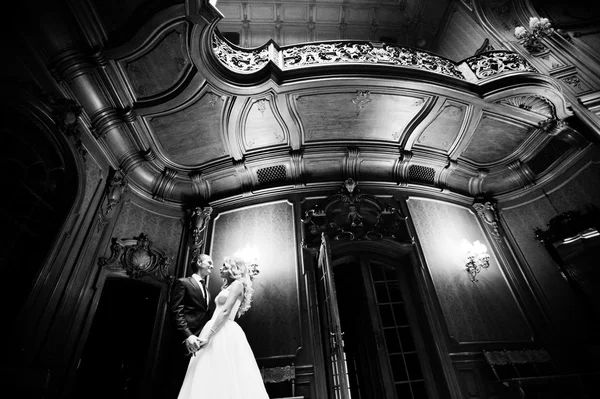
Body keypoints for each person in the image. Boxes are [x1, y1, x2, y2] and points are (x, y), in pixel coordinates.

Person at [176, 256, 269, 399]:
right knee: (208, 369)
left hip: (224, 329)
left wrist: (208, 335)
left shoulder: (237, 284)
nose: (220, 268)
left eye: (224, 266)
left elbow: (225, 311)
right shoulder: (227, 287)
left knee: (225, 368)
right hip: (215, 326)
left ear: (234, 270)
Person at [168, 254, 214, 396]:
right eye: (209, 262)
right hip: (186, 340)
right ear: (199, 262)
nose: (212, 266)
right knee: (180, 378)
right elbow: (176, 311)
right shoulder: (183, 282)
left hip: (202, 340)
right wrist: (187, 336)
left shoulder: (206, 289)